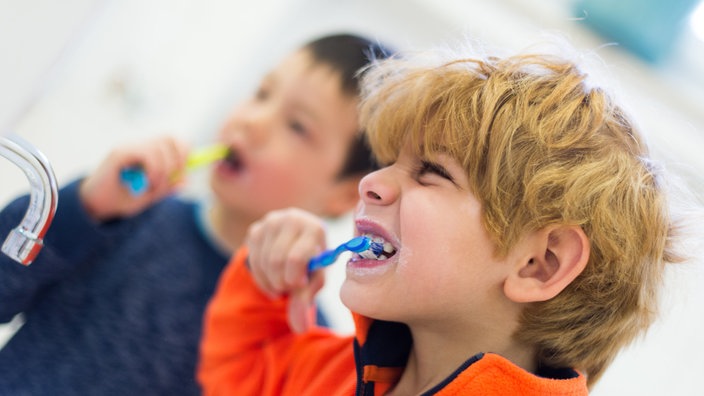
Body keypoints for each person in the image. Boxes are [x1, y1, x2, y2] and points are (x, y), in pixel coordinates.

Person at [197, 41, 689, 395]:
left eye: (430, 171)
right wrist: (264, 284)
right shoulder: (334, 374)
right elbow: (238, 375)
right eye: (390, 159)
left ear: (541, 263)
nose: (374, 182)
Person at [0, 33, 393, 395]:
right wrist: (83, 208)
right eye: (262, 93)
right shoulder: (125, 219)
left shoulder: (297, 336)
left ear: (346, 193)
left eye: (296, 126)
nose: (253, 122)